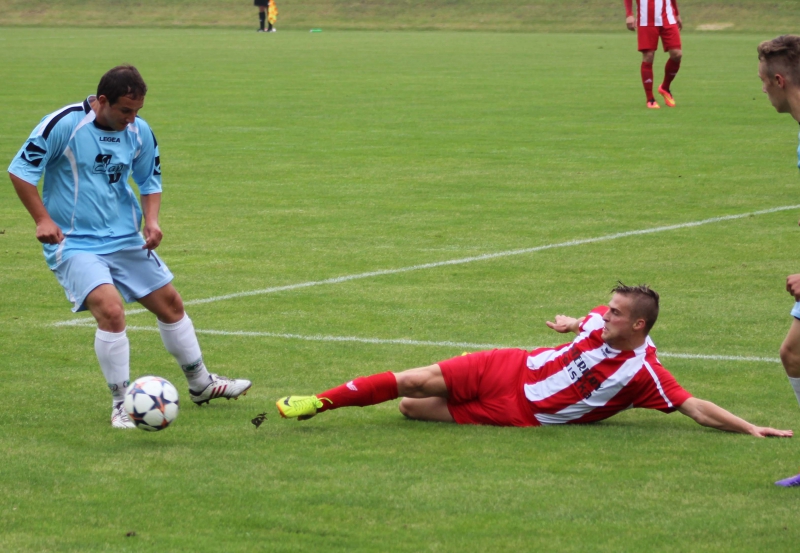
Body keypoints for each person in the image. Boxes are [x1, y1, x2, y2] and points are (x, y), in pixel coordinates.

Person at [8, 65, 252, 429]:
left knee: (171, 305)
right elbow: (20, 170)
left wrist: (152, 221)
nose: (132, 118)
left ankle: (201, 384)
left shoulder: (139, 130)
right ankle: (122, 405)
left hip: (124, 237)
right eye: (125, 110)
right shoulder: (63, 124)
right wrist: (42, 219)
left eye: (137, 110)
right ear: (102, 101)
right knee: (111, 310)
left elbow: (149, 179)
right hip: (74, 242)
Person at [275, 284, 791, 437]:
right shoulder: (598, 320)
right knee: (414, 379)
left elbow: (695, 408)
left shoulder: (644, 373)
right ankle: (318, 402)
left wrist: (750, 427)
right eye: (606, 308)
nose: (604, 315)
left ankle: (343, 400)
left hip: (520, 412)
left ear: (638, 326)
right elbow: (585, 320)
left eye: (615, 313)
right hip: (511, 365)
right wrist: (569, 324)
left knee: (411, 408)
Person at [624, 0, 683, 109]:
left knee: (677, 54)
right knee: (648, 56)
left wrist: (677, 14)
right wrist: (629, 14)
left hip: (668, 18)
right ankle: (650, 98)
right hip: (646, 20)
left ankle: (665, 88)